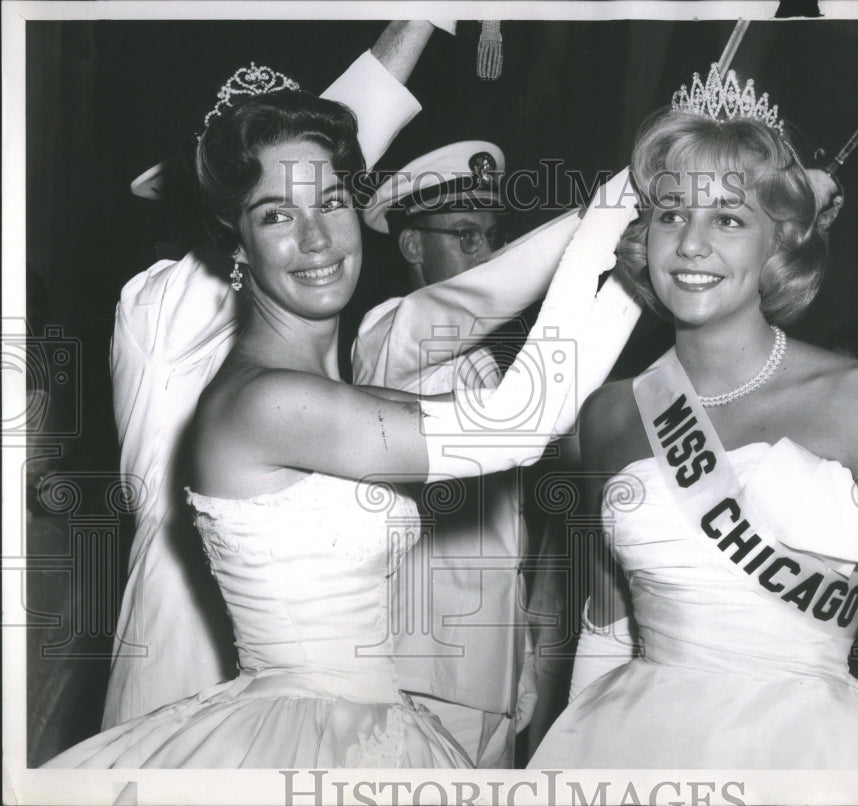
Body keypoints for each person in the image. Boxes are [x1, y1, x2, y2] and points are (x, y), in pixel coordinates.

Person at [43, 61, 638, 767]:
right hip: (298, 734)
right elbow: (518, 422)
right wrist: (628, 219)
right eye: (276, 215)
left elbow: (509, 415)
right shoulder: (266, 401)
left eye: (330, 202)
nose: (317, 238)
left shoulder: (333, 391)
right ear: (233, 242)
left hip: (369, 720)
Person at [529, 64, 858, 770]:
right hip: (631, 746)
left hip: (808, 755)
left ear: (780, 242)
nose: (692, 245)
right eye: (671, 214)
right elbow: (604, 635)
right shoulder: (609, 416)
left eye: (728, 218)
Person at [102, 20, 444, 729]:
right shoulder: (155, 309)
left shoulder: (294, 317)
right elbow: (317, 164)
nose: (304, 221)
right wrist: (419, 20)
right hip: (182, 659)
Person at [353, 142, 568, 766]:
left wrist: (521, 660)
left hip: (492, 668)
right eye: (466, 236)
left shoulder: (497, 360)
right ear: (413, 245)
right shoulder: (386, 334)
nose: (488, 254)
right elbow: (480, 298)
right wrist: (608, 212)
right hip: (417, 665)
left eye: (494, 237)